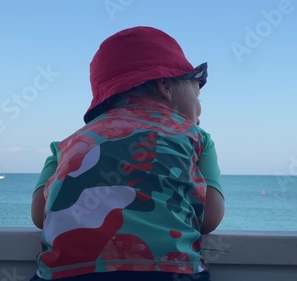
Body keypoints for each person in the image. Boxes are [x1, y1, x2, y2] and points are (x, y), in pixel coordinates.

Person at [30, 26, 225, 281]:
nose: (199, 113)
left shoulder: (66, 145)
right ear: (165, 86)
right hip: (167, 274)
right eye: (197, 96)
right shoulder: (196, 137)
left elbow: (39, 216)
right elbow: (210, 217)